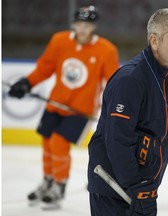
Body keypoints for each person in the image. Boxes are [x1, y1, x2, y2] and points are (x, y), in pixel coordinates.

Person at [87, 8, 168, 216]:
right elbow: (117, 141)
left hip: (145, 186)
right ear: (154, 41)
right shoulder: (130, 80)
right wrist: (138, 187)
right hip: (113, 184)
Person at [8, 5, 120, 209]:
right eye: (79, 23)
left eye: (87, 24)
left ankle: (59, 185)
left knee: (59, 143)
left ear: (93, 26)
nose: (83, 28)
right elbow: (45, 68)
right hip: (55, 103)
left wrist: (115, 107)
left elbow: (113, 83)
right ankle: (48, 181)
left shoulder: (106, 50)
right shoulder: (59, 41)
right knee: (47, 142)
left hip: (80, 110)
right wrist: (26, 83)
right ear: (74, 24)